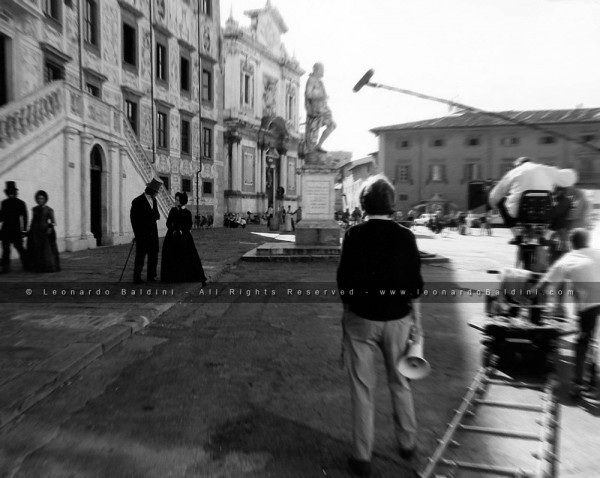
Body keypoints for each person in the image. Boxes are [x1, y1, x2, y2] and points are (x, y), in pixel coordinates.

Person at [337, 175, 423, 477]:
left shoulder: (353, 235)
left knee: (362, 388)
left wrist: (347, 314)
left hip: (361, 318)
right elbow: (415, 285)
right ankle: (407, 442)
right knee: (400, 382)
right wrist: (417, 324)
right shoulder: (406, 236)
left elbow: (344, 281)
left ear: (363, 204)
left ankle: (362, 456)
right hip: (398, 319)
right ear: (392, 204)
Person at [536, 229, 600, 398]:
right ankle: (592, 376)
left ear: (571, 243)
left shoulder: (569, 258)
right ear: (588, 241)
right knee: (592, 338)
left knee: (583, 341)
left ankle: (578, 384)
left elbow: (546, 282)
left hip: (591, 303)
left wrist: (529, 295)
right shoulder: (597, 252)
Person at [488, 157, 577, 244]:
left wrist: (494, 205)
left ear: (517, 165)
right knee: (567, 201)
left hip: (519, 214)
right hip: (546, 213)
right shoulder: (544, 169)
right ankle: (547, 235)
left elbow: (494, 196)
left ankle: (516, 235)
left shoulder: (512, 172)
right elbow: (569, 178)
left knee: (500, 200)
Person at [160, 192, 207, 285]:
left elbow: (189, 225)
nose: (176, 201)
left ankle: (184, 276)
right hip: (172, 236)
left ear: (182, 201)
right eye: (176, 199)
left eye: (178, 200)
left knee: (187, 256)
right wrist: (173, 229)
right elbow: (168, 223)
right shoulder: (173, 210)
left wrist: (182, 230)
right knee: (171, 255)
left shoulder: (187, 212)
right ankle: (171, 276)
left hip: (184, 237)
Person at [130, 178, 162, 284]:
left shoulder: (154, 201)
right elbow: (134, 219)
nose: (157, 194)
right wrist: (137, 234)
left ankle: (151, 276)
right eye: (156, 192)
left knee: (153, 255)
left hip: (153, 233)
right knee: (140, 256)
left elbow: (157, 214)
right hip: (142, 233)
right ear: (151, 190)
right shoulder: (137, 201)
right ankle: (137, 277)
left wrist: (154, 215)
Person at [304, 62, 337, 153]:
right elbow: (308, 94)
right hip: (315, 110)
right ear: (317, 70)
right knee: (313, 133)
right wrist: (321, 97)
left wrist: (324, 98)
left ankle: (319, 145)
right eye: (322, 70)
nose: (323, 72)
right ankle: (313, 148)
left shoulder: (319, 82)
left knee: (332, 125)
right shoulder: (311, 80)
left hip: (323, 108)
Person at [27, 190, 60, 272]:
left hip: (45, 231)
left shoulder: (49, 210)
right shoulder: (34, 209)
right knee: (36, 248)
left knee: (46, 249)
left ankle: (47, 266)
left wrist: (50, 228)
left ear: (45, 199)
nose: (40, 200)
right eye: (39, 198)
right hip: (36, 231)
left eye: (42, 199)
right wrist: (30, 230)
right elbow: (33, 220)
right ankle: (38, 266)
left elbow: (52, 221)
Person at [0, 181, 28, 273]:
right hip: (6, 229)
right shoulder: (4, 203)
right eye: (9, 193)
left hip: (16, 229)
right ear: (7, 193)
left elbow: (24, 217)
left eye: (12, 193)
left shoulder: (20, 203)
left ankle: (26, 264)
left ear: (15, 193)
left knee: (20, 247)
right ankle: (5, 267)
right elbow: (2, 217)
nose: (11, 194)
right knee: (6, 249)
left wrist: (24, 230)